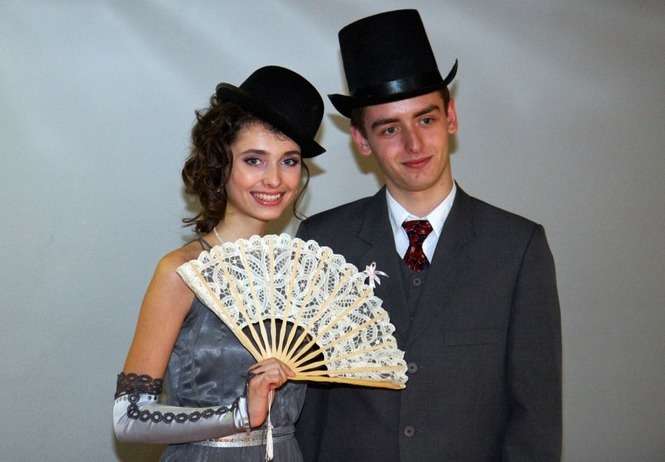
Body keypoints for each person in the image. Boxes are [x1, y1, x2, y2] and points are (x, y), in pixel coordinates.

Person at [295, 9, 561, 462]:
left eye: (425, 119)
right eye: (389, 128)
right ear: (362, 140)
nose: (413, 145)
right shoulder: (322, 242)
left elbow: (535, 419)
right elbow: (306, 413)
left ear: (451, 117)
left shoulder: (517, 249)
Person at [113, 65, 325, 461]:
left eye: (289, 161)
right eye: (254, 160)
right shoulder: (182, 272)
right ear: (220, 164)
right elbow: (129, 418)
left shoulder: (302, 275)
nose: (274, 180)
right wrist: (239, 414)